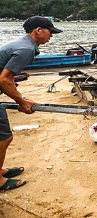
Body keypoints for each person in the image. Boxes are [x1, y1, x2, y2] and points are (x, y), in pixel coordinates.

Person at [0, 16, 62, 190]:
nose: (52, 36)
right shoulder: (26, 49)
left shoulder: (22, 44)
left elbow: (9, 79)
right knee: (4, 138)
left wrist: (21, 99)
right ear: (39, 30)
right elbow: (3, 80)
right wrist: (22, 102)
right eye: (51, 32)